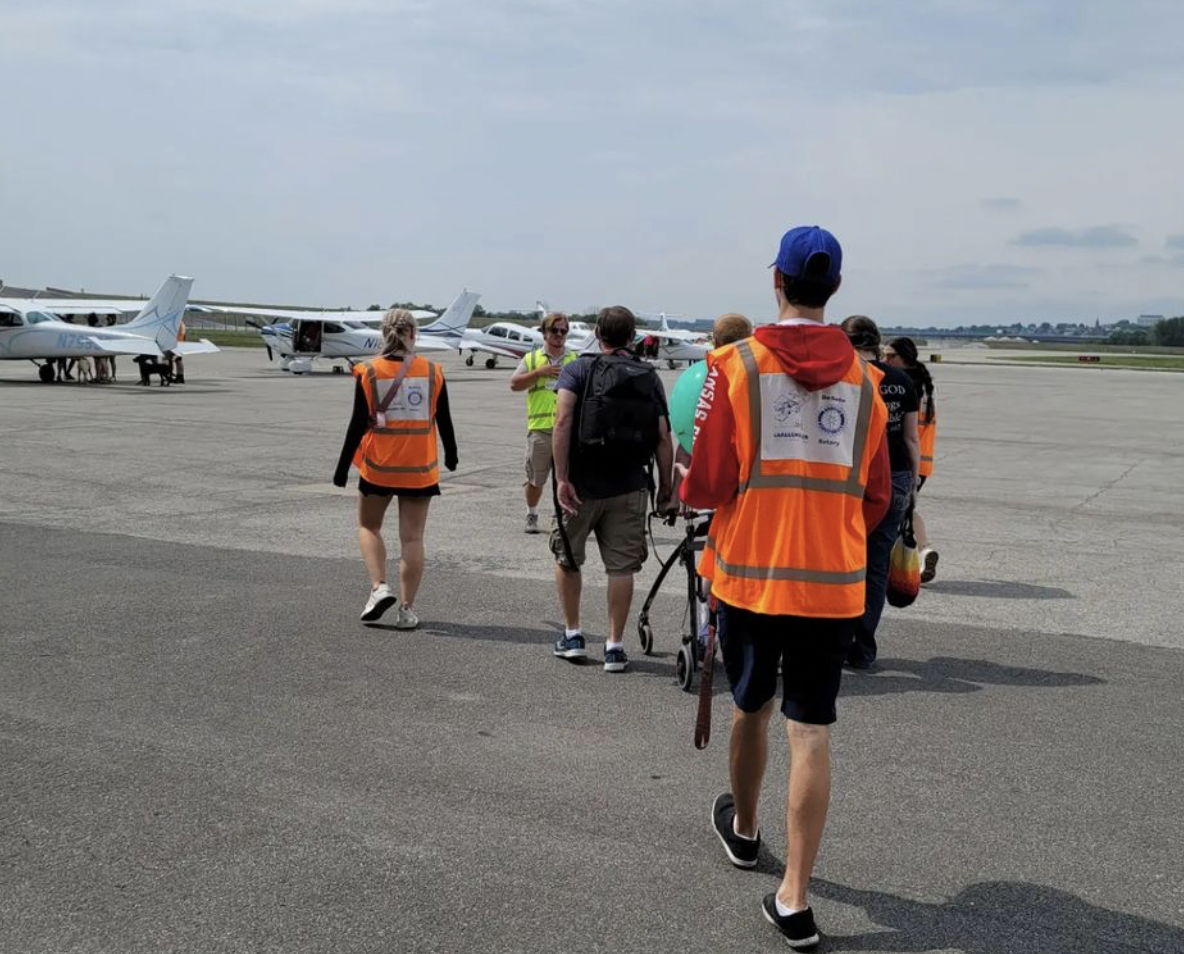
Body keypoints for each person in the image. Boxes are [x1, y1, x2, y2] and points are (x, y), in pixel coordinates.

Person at [681, 225, 890, 949]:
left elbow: (705, 482)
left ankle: (743, 830)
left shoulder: (734, 365)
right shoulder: (868, 382)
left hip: (750, 575)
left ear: (778, 280)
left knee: (750, 708)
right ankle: (794, 896)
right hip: (831, 585)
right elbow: (877, 497)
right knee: (813, 732)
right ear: (832, 290)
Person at [550, 305, 674, 673]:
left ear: (597, 333)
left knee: (568, 557)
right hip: (631, 484)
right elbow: (663, 437)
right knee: (621, 568)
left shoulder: (578, 368)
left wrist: (561, 477)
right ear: (632, 336)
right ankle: (615, 646)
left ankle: (572, 635)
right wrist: (666, 487)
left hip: (582, 484)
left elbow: (562, 421)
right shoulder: (648, 375)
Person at [333, 309, 458, 628]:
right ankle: (407, 609)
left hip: (379, 466)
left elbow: (356, 424)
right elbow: (443, 420)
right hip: (420, 467)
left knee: (368, 526)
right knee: (412, 539)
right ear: (413, 334)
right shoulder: (433, 371)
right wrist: (452, 455)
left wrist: (342, 466)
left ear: (382, 333)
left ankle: (379, 587)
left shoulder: (368, 371)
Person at [841, 316, 919, 669]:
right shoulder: (903, 381)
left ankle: (838, 638)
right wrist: (913, 487)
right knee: (876, 565)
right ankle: (864, 646)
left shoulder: (847, 378)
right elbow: (910, 438)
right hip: (899, 476)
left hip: (859, 477)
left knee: (845, 561)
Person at [508, 312, 577, 534]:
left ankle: (563, 517)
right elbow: (515, 384)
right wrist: (540, 372)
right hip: (541, 430)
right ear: (545, 333)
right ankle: (532, 512)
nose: (559, 335)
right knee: (536, 479)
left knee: (566, 477)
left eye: (563, 331)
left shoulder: (574, 360)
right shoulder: (531, 359)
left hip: (567, 430)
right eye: (554, 330)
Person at [887, 336, 937, 582]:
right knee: (906, 508)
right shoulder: (924, 387)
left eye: (891, 356)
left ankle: (921, 550)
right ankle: (923, 551)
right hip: (923, 461)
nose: (886, 360)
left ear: (904, 357)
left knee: (903, 509)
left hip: (908, 460)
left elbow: (909, 435)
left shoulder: (904, 387)